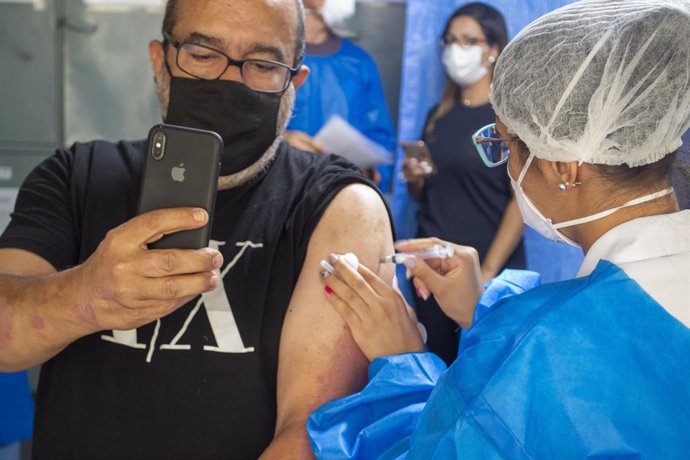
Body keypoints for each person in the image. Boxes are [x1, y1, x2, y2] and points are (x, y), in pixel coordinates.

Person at [0, 0, 396, 458]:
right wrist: (86, 296)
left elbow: (310, 433)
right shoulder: (76, 177)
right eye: (203, 55)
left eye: (262, 64)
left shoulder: (339, 207)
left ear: (294, 83)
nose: (229, 80)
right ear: (160, 60)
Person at [309, 0, 690, 457]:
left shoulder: (554, 344)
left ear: (563, 166)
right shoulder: (579, 326)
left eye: (506, 146)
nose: (507, 166)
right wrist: (486, 310)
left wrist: (402, 362)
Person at [402, 2, 525, 365]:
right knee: (435, 365)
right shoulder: (438, 116)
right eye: (451, 40)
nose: (458, 49)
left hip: (487, 265)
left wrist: (486, 273)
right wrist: (416, 180)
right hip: (432, 265)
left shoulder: (506, 120)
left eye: (469, 40)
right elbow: (427, 196)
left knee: (482, 369)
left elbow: (520, 201)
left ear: (494, 48)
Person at [284, 0, 396, 190]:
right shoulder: (275, 57)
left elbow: (380, 137)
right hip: (283, 187)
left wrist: (371, 172)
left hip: (341, 191)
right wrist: (283, 143)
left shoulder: (358, 62)